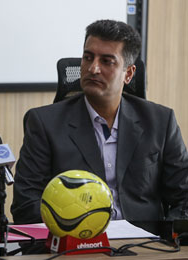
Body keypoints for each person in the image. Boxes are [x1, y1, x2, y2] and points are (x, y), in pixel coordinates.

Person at [11, 20, 188, 224]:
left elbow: (184, 195)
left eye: (107, 61)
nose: (93, 68)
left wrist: (168, 237)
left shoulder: (160, 122)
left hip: (145, 246)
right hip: (73, 245)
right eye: (88, 57)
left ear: (128, 74)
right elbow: (26, 204)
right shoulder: (44, 123)